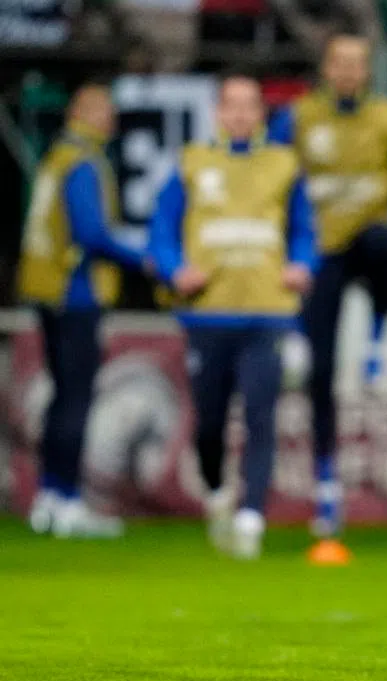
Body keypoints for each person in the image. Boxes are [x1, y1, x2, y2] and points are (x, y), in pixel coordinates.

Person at [150, 71, 317, 560]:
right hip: (208, 312)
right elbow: (162, 228)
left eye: (250, 105)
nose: (241, 114)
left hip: (267, 311)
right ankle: (219, 492)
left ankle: (251, 517)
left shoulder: (284, 165)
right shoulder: (192, 162)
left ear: (260, 114)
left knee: (262, 416)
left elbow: (305, 230)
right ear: (219, 112)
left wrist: (302, 265)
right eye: (233, 105)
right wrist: (172, 267)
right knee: (208, 424)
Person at [267, 33, 387, 541]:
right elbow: (273, 180)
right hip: (322, 249)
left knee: (383, 247)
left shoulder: (385, 119)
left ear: (367, 70)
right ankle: (327, 484)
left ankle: (378, 343)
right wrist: (288, 245)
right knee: (321, 368)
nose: (351, 72)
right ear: (328, 69)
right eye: (342, 63)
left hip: (370, 243)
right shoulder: (299, 117)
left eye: (359, 63)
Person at [19, 82, 147, 539]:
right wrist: (145, 258)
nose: (109, 118)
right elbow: (92, 234)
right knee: (76, 398)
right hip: (76, 294)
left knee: (61, 397)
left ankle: (48, 498)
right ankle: (69, 502)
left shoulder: (56, 156)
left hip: (45, 291)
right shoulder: (83, 161)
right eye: (101, 109)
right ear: (81, 111)